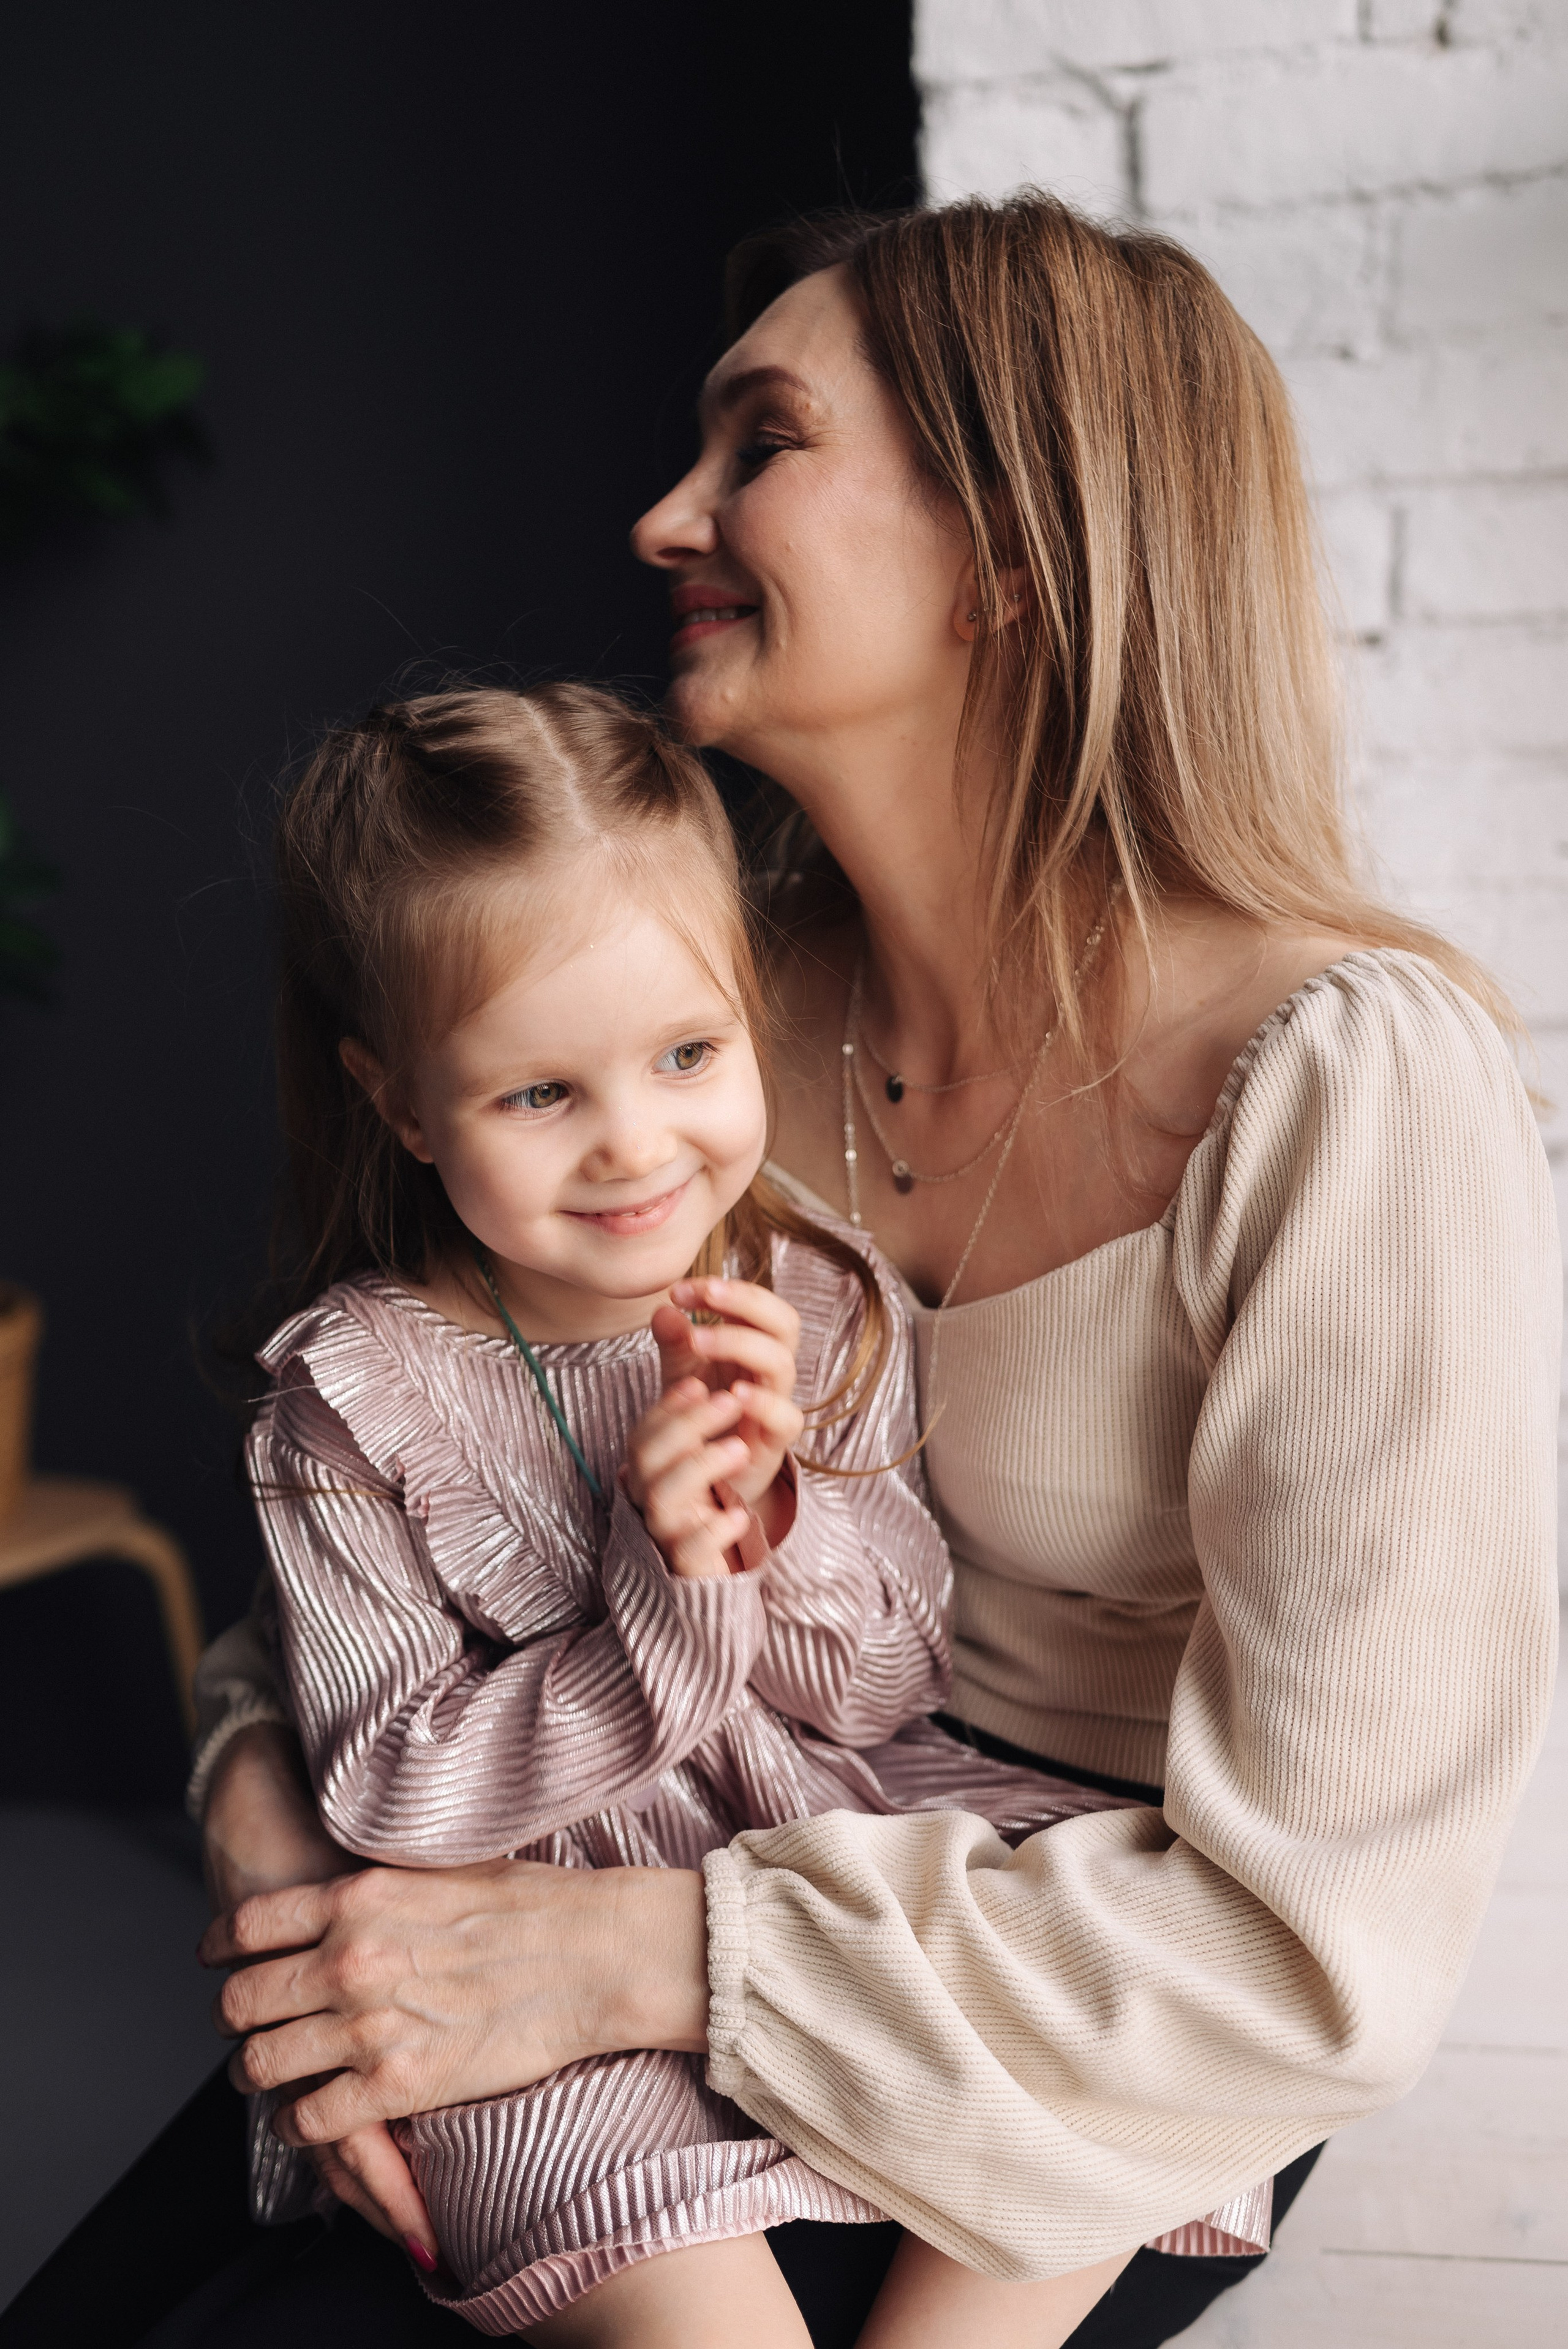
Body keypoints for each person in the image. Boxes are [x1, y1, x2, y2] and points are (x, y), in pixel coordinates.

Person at [13, 194, 1556, 2349]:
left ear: (1010, 547)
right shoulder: (700, 1038)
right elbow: (414, 1463)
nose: (664, 515)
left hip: (1072, 1986)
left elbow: (1321, 1945)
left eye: (761, 441)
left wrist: (638, 1952)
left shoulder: (1349, 1087)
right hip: (583, 1861)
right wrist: (265, 1807)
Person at [228, 674, 1226, 2345]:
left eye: (688, 1054)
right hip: (531, 1950)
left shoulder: (815, 1301)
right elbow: (386, 1782)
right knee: (649, 2260)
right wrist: (666, 1590)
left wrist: (778, 1527)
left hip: (827, 1855)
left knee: (1119, 2006)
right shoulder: (351, 1403)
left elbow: (891, 1679)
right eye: (539, 1094)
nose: (637, 1147)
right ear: (403, 1102)